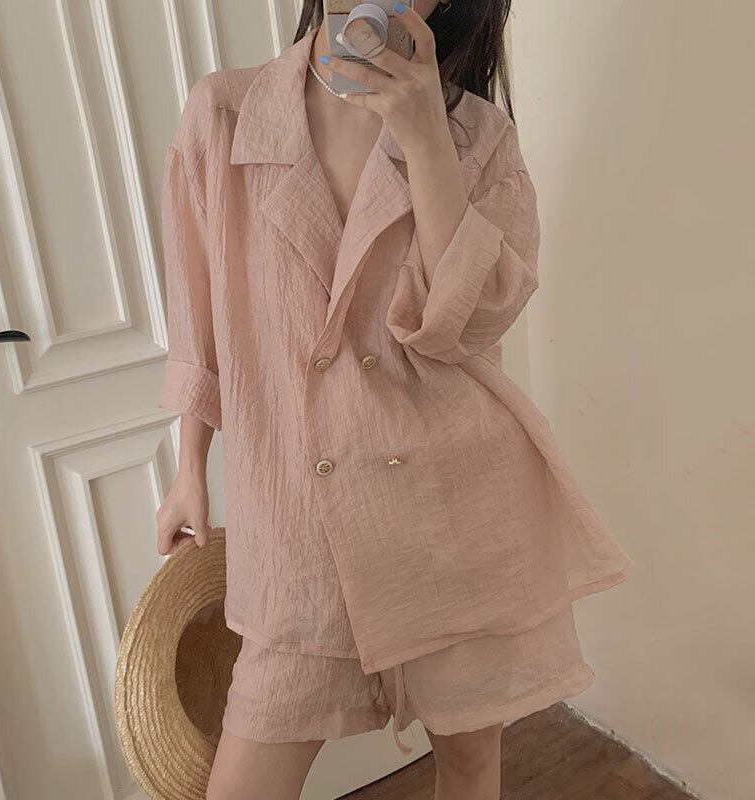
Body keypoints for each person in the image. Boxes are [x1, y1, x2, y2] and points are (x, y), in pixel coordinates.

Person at [156, 2, 634, 798]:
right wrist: (188, 465)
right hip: (299, 520)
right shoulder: (226, 111)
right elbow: (197, 308)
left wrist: (426, 141)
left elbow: (466, 328)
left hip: (450, 511)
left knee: (470, 764)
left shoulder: (478, 137)